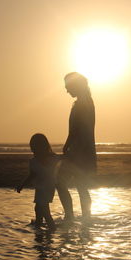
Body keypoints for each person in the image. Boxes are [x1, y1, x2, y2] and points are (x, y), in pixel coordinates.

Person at [57, 72, 96, 222]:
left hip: (79, 152)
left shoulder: (83, 103)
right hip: (82, 151)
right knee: (81, 186)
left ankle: (70, 216)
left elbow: (78, 130)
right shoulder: (86, 101)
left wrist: (68, 146)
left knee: (59, 181)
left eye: (68, 87)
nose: (67, 90)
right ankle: (85, 217)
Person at [16, 133, 59, 230]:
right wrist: (22, 185)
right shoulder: (35, 161)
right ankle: (39, 229)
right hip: (41, 189)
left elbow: (61, 170)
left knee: (45, 211)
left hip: (47, 189)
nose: (32, 149)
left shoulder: (52, 159)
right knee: (38, 209)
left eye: (33, 147)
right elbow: (32, 175)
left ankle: (50, 229)